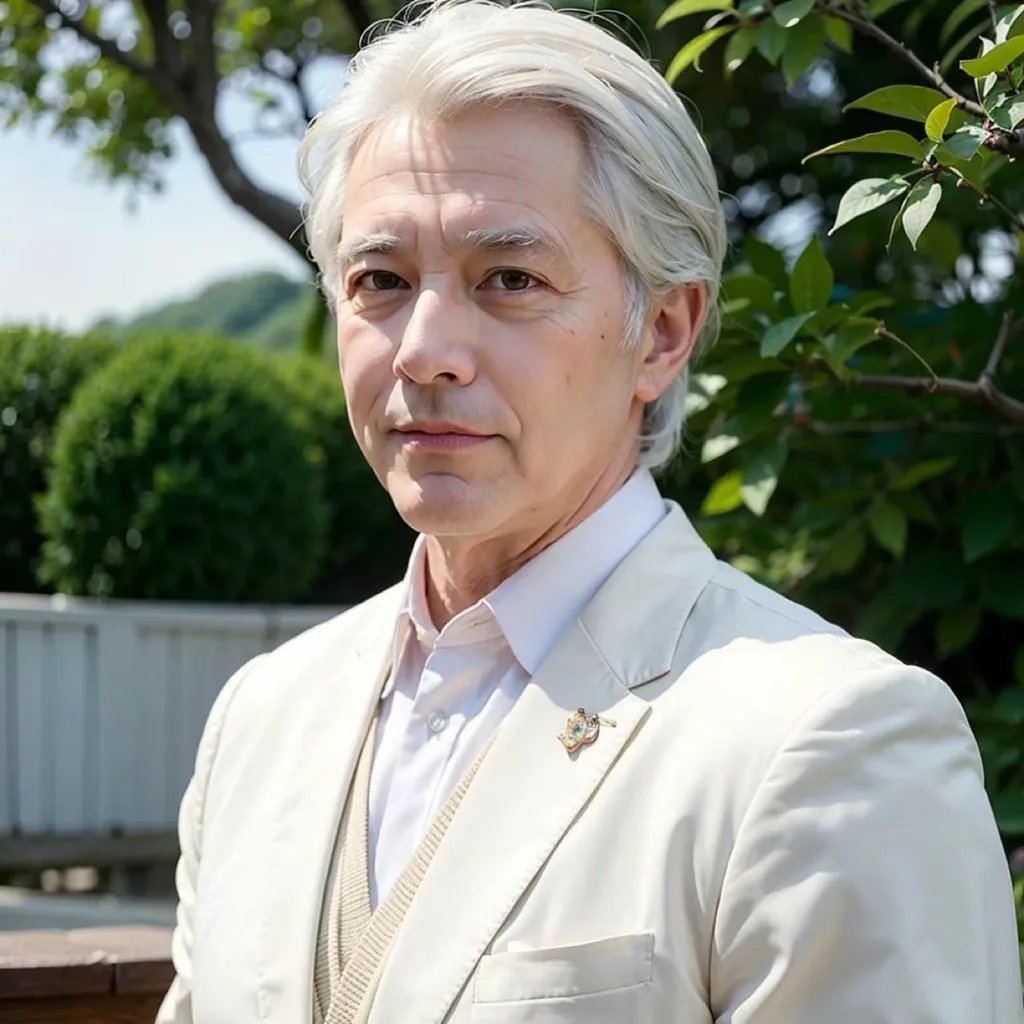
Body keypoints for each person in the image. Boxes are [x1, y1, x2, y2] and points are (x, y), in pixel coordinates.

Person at [156, 2, 1023, 1022]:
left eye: (509, 279)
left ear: (662, 332)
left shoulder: (829, 739)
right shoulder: (261, 718)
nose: (424, 350)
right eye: (380, 279)